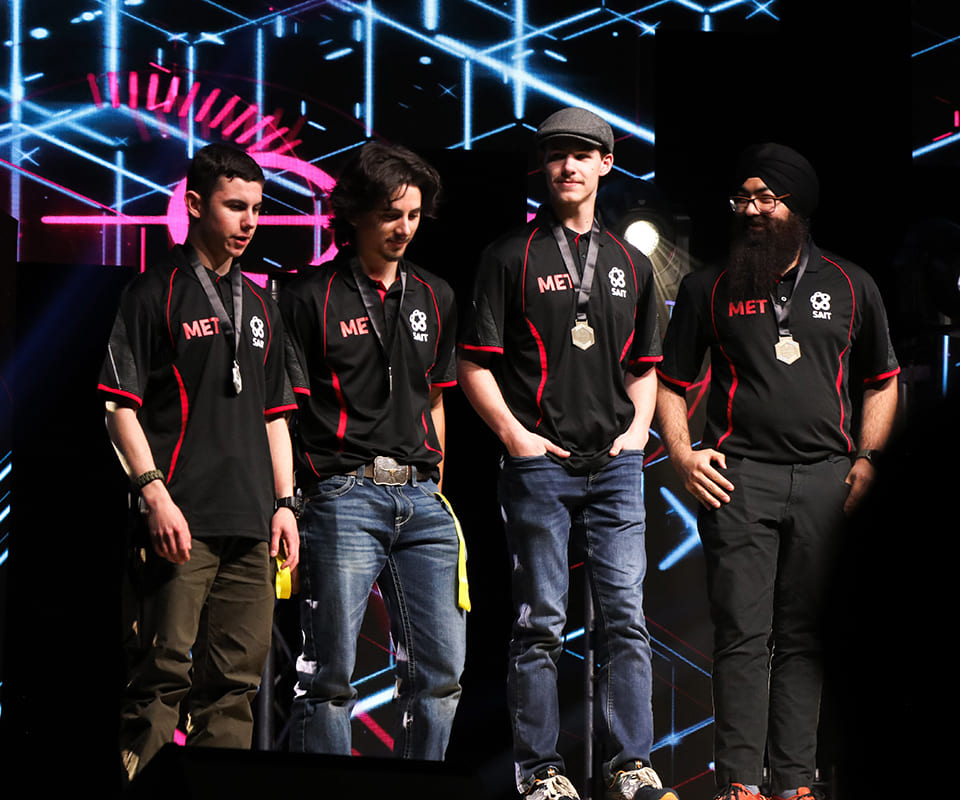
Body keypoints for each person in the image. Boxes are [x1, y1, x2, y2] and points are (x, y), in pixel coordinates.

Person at [655, 143, 900, 800]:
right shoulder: (708, 285)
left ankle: (795, 782)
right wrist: (682, 455)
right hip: (740, 479)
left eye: (767, 198)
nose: (753, 210)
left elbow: (883, 380)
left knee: (804, 636)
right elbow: (671, 384)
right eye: (744, 199)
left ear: (798, 205)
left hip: (826, 478)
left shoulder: (852, 285)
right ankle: (740, 782)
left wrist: (870, 461)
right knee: (742, 632)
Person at [458, 107, 677, 800]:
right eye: (557, 155)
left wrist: (638, 431)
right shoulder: (506, 256)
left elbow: (647, 365)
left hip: (615, 465)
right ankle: (541, 771)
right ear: (542, 167)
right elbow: (473, 363)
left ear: (606, 164)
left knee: (625, 618)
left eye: (584, 154)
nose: (569, 166)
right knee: (540, 623)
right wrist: (516, 438)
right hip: (539, 466)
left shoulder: (631, 264)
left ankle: (631, 765)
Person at [98, 142, 300, 781]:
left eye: (258, 209)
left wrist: (287, 504)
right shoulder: (152, 291)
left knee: (235, 689)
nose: (249, 222)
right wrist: (154, 495)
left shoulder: (263, 304)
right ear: (192, 205)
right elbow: (117, 407)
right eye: (235, 206)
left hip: (250, 525)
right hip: (179, 521)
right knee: (159, 681)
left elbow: (275, 415)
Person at [281, 141, 467, 760]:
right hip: (341, 494)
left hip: (422, 496)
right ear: (355, 212)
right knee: (329, 678)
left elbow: (437, 399)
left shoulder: (436, 294)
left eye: (414, 215)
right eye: (391, 214)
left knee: (439, 676)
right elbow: (286, 408)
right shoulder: (308, 295)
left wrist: (437, 482)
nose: (404, 229)